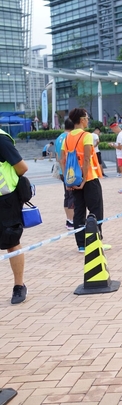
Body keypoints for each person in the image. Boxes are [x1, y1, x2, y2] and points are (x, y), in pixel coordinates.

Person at [61, 108, 105, 253]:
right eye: (86, 117)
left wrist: (68, 181)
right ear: (81, 120)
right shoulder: (86, 136)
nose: (87, 120)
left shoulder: (66, 137)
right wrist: (85, 180)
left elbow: (63, 160)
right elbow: (86, 158)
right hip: (89, 179)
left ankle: (81, 244)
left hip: (73, 179)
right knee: (95, 209)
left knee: (79, 211)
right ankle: (95, 241)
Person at [0, 128, 29, 304]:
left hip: (5, 200)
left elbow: (22, 167)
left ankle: (19, 286)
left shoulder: (1, 140)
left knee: (12, 243)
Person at [54, 120, 75, 230]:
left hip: (62, 171)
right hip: (69, 171)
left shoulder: (59, 138)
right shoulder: (70, 137)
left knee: (67, 196)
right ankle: (71, 221)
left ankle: (68, 219)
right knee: (72, 196)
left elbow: (57, 156)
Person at [109, 122, 122, 193]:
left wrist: (113, 145)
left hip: (121, 156)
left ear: (115, 128)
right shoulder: (121, 134)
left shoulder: (120, 135)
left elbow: (120, 147)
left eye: (112, 129)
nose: (113, 131)